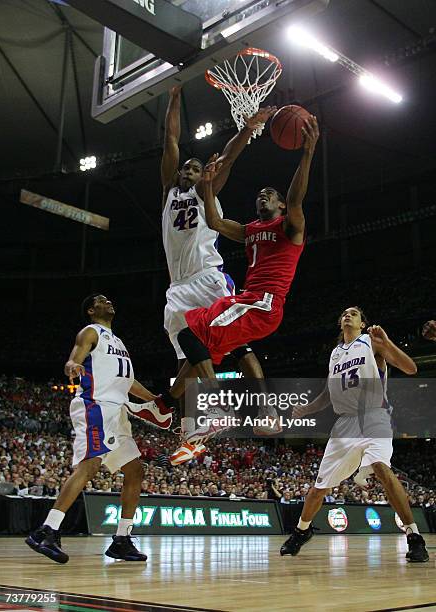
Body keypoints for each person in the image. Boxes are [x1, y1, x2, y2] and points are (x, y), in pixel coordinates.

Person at [161, 114, 319, 445]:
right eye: (259, 194)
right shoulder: (250, 230)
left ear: (279, 204)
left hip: (259, 301)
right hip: (230, 295)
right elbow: (216, 222)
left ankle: (228, 408)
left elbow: (295, 200)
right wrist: (206, 185)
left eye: (269, 195)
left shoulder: (289, 227)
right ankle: (171, 410)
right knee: (192, 343)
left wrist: (306, 153)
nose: (262, 197)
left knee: (196, 337)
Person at [161, 86, 277, 465]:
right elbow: (171, 138)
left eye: (197, 170)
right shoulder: (168, 192)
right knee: (190, 353)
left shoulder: (205, 191)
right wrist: (175, 98)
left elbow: (228, 158)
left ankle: (263, 407)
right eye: (188, 169)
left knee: (237, 344)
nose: (192, 173)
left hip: (209, 277)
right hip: (178, 289)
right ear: (179, 172)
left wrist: (247, 129)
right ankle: (193, 427)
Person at [25, 294, 171, 564]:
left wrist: (155, 400)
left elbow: (126, 380)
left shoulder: (118, 341)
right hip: (96, 405)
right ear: (92, 310)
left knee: (135, 471)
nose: (109, 301)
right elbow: (74, 358)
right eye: (102, 300)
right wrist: (72, 366)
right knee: (89, 465)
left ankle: (122, 540)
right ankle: (46, 530)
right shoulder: (91, 331)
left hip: (117, 411)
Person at [279, 306, 429, 562]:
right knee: (319, 488)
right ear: (341, 324)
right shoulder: (335, 354)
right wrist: (307, 409)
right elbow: (329, 393)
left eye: (354, 314)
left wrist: (388, 343)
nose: (348, 315)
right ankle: (302, 531)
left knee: (381, 467)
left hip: (374, 416)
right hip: (345, 424)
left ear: (362, 324)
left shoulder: (371, 342)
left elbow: (411, 368)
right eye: (345, 314)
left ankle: (414, 537)